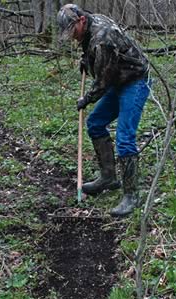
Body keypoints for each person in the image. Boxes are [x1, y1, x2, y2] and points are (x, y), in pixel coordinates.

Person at [57, 4, 151, 217]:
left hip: (135, 81)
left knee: (125, 137)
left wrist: (86, 99)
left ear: (81, 20)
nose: (72, 37)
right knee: (95, 123)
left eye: (73, 31)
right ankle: (108, 177)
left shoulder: (103, 38)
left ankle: (131, 196)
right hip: (119, 79)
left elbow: (103, 81)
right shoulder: (91, 27)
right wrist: (86, 59)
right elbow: (95, 56)